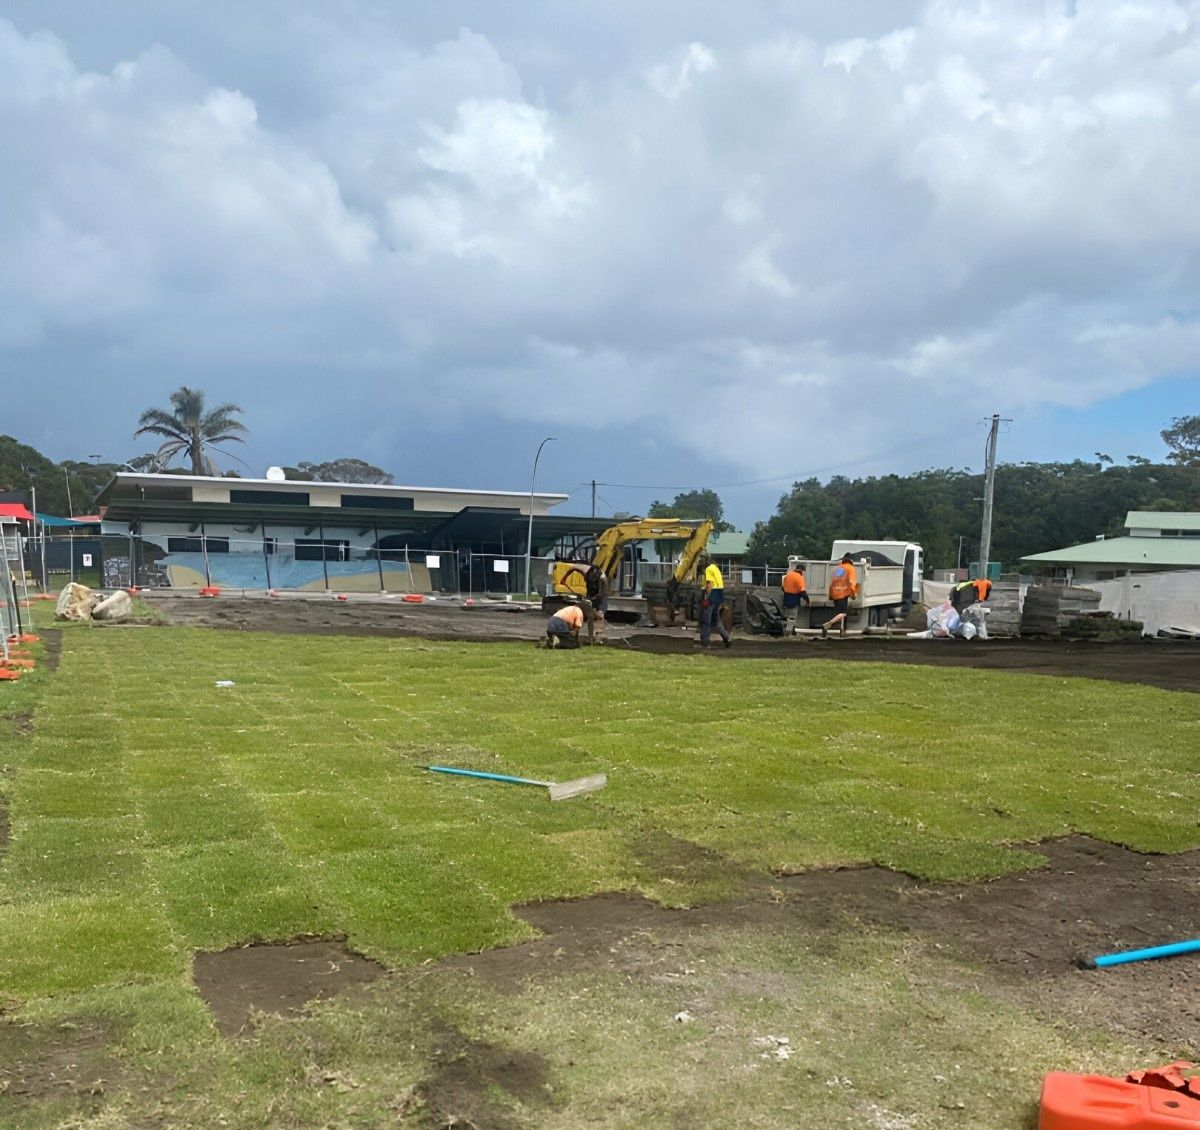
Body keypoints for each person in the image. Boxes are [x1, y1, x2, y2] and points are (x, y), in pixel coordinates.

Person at [821, 554, 860, 638]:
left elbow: (833, 581)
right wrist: (853, 594)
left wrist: (831, 594)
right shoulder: (851, 568)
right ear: (851, 561)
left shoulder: (838, 568)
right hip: (843, 593)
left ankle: (841, 631)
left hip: (834, 592)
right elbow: (852, 582)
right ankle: (827, 625)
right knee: (842, 613)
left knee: (840, 613)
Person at [697, 553, 731, 649]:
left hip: (712, 595)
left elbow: (710, 585)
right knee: (716, 620)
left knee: (705, 620)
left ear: (706, 560)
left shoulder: (708, 569)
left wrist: (706, 598)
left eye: (701, 559)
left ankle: (705, 642)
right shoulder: (715, 568)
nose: (700, 561)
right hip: (719, 596)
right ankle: (727, 638)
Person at [780, 562, 810, 635]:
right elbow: (802, 592)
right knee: (792, 617)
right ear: (801, 570)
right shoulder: (799, 577)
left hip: (786, 597)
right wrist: (808, 601)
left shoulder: (788, 574)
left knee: (788, 616)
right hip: (793, 599)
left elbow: (783, 588)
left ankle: (792, 632)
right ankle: (788, 634)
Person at [584, 564, 609, 642]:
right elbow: (604, 582)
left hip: (590, 596)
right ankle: (599, 633)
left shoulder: (589, 573)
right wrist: (605, 592)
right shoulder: (601, 574)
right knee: (600, 615)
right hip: (598, 597)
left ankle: (591, 635)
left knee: (591, 616)